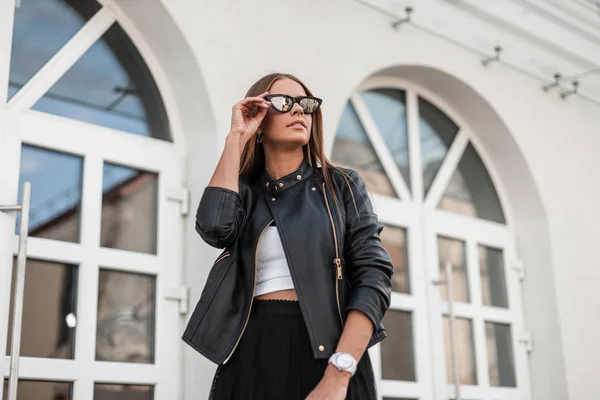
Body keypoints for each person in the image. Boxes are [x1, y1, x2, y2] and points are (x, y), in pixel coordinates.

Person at [182, 73, 393, 400]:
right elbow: (213, 227)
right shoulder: (246, 192)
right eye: (284, 103)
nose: (299, 111)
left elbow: (374, 278)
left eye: (306, 104)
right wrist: (236, 138)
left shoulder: (342, 186)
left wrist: (340, 372)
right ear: (260, 119)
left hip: (330, 353)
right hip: (254, 349)